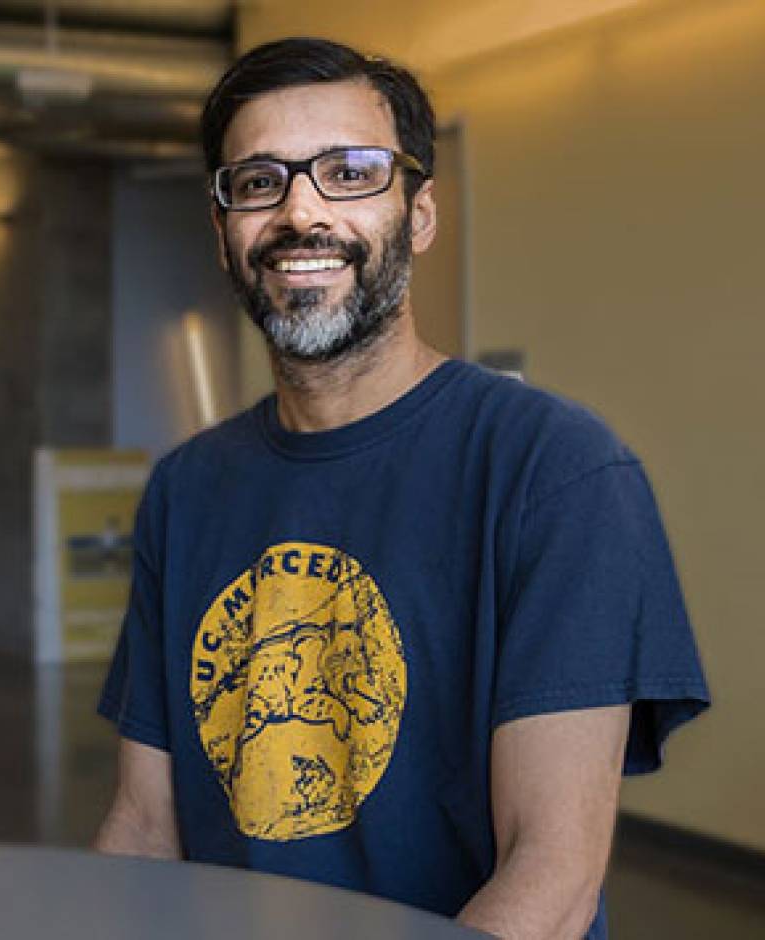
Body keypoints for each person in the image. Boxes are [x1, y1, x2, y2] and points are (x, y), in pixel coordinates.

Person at [93, 37, 707, 940]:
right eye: (259, 182)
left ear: (419, 214)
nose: (300, 211)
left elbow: (552, 875)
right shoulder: (188, 489)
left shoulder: (558, 473)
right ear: (224, 234)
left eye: (348, 172)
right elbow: (145, 827)